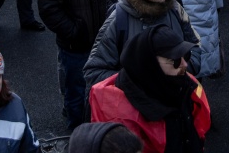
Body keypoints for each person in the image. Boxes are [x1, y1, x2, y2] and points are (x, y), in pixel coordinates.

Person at [38, 0, 112, 130]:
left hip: (102, 44)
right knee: (76, 94)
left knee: (103, 90)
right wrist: (73, 30)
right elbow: (48, 8)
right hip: (75, 47)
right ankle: (77, 134)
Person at [90, 24, 211, 153]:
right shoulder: (121, 116)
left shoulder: (182, 84)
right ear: (150, 64)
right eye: (175, 60)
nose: (184, 64)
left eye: (185, 55)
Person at [84, 0, 199, 88]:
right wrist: (138, 81)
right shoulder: (117, 21)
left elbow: (195, 46)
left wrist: (184, 70)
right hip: (138, 105)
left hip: (177, 99)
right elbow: (93, 72)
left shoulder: (175, 9)